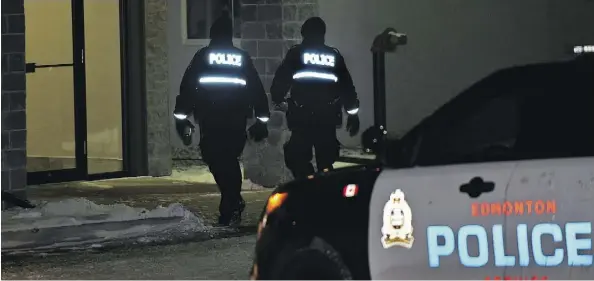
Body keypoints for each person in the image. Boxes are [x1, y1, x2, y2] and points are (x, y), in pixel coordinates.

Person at [173, 13, 270, 226]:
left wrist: (181, 117)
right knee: (228, 159)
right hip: (235, 119)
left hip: (211, 118)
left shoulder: (203, 56)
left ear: (212, 35)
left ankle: (230, 204)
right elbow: (256, 89)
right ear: (229, 36)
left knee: (217, 159)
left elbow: (188, 88)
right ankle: (233, 200)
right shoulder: (241, 58)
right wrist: (262, 119)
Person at [270, 17, 360, 179]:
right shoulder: (333, 56)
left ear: (304, 33)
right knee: (326, 161)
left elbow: (280, 82)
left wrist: (280, 100)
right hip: (327, 117)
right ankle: (323, 188)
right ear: (323, 34)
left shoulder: (296, 54)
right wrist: (352, 114)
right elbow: (347, 87)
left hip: (302, 116)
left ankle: (309, 183)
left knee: (296, 157)